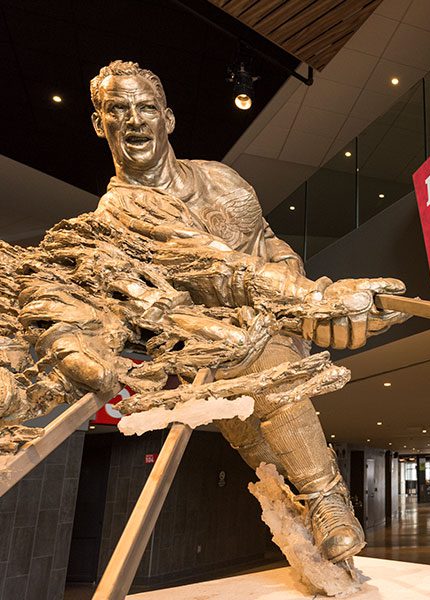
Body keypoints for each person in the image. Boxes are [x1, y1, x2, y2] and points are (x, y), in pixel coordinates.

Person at [88, 60, 406, 563]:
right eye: (117, 109)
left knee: (274, 370)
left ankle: (327, 502)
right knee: (257, 442)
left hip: (274, 325)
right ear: (99, 123)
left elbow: (266, 240)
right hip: (207, 346)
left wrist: (301, 288)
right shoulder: (119, 212)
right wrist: (312, 299)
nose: (133, 121)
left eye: (145, 108)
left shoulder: (219, 175)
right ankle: (308, 513)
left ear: (167, 119)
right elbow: (212, 266)